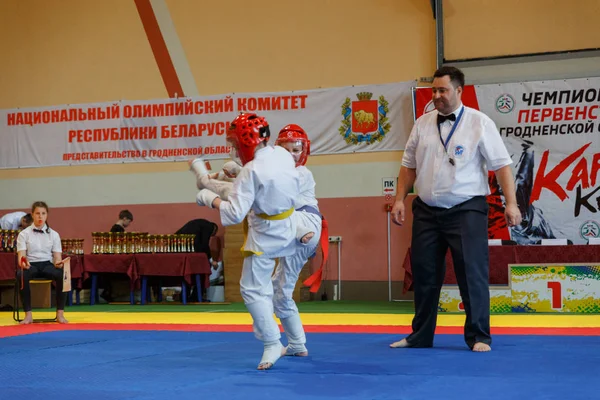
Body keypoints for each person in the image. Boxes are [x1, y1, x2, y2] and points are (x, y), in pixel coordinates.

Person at [389, 66, 522, 352]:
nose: (437, 95)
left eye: (443, 90)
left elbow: (502, 166)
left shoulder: (480, 123)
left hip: (467, 209)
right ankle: (420, 336)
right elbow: (407, 166)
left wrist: (510, 203)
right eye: (434, 90)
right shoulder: (423, 123)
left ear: (459, 90)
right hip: (425, 209)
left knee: (471, 273)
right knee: (424, 274)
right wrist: (400, 198)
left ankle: (478, 336)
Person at [192, 112, 300, 370]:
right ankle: (298, 342)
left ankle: (272, 342)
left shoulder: (252, 170)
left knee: (252, 289)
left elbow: (233, 214)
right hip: (290, 227)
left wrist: (208, 197)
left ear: (246, 142)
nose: (233, 149)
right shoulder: (281, 155)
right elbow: (265, 184)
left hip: (266, 233)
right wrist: (234, 176)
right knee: (278, 289)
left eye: (234, 145)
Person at [271, 124, 327, 357]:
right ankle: (296, 344)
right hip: (295, 231)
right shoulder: (279, 173)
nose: (292, 155)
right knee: (278, 290)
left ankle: (295, 344)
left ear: (303, 151)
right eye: (286, 151)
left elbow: (277, 195)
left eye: (296, 150)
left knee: (271, 204)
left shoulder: (301, 173)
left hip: (305, 223)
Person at [16, 201, 68, 324]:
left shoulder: (54, 235)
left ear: (47, 215)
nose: (40, 216)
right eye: (37, 213)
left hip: (47, 265)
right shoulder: (24, 234)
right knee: (21, 275)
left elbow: (56, 257)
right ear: (32, 215)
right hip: (31, 264)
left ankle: (60, 314)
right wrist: (24, 263)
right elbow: (21, 257)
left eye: (43, 213)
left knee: (62, 275)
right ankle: (28, 315)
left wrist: (59, 263)